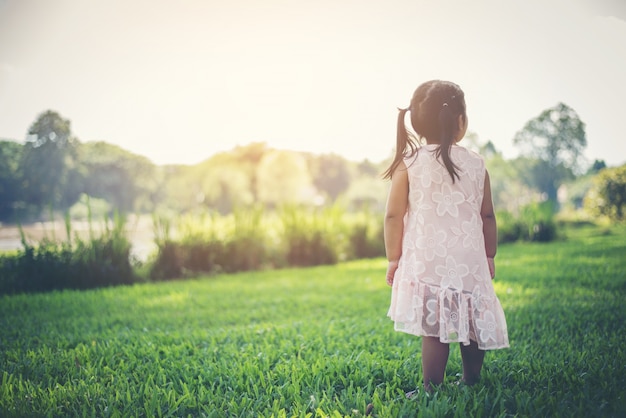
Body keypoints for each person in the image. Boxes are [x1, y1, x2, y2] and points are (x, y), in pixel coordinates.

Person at [383, 80, 509, 394]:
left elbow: (393, 216)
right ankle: (470, 380)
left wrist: (394, 258)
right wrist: (489, 255)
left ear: (415, 121)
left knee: (435, 326)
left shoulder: (409, 164)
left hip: (429, 260)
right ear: (461, 122)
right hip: (468, 259)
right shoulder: (477, 164)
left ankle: (432, 387)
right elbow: (488, 216)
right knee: (472, 316)